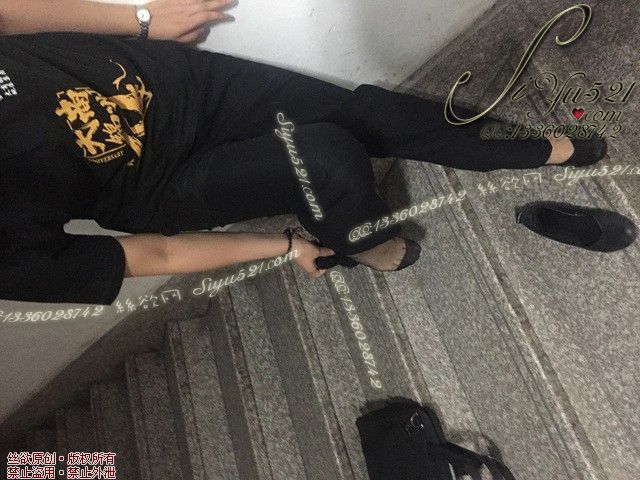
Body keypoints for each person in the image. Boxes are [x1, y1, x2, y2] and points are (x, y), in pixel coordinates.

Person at [0, 0, 607, 305]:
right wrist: (286, 245)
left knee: (371, 114)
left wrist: (141, 20)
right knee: (327, 159)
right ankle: (364, 243)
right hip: (161, 182)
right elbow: (151, 253)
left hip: (181, 84)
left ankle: (531, 149)